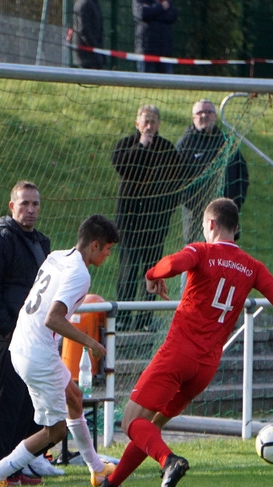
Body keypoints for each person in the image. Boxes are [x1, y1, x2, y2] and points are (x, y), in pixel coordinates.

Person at [94, 198, 273, 487]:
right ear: (236, 228)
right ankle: (112, 484)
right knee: (152, 426)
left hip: (177, 355)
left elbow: (172, 265)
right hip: (206, 368)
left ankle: (169, 461)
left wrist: (151, 275)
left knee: (131, 423)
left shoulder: (201, 251)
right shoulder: (252, 266)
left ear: (210, 224)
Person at [0, 215, 120, 487]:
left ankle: (96, 469)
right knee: (55, 432)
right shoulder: (80, 273)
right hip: (37, 353)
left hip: (24, 343)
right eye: (107, 248)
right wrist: (91, 342)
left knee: (74, 397)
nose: (107, 254)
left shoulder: (57, 256)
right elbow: (53, 318)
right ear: (94, 245)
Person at [0, 181, 51, 486]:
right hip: (7, 333)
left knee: (26, 403)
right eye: (24, 204)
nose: (30, 210)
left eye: (35, 204)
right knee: (8, 400)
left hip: (31, 333)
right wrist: (5, 330)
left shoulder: (41, 242)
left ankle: (14, 467)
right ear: (12, 206)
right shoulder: (0, 238)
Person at [112, 105, 181, 330]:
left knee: (152, 269)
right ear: (137, 123)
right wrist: (142, 145)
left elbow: (176, 184)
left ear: (159, 124)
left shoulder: (167, 149)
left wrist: (166, 212)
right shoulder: (126, 145)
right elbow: (122, 166)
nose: (149, 125)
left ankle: (144, 319)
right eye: (145, 121)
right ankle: (122, 317)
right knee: (129, 266)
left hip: (155, 220)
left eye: (153, 121)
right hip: (130, 218)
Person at [176, 99, 250, 244]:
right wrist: (193, 203)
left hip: (226, 216)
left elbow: (242, 175)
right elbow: (176, 180)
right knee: (197, 253)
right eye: (200, 112)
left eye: (208, 112)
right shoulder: (185, 144)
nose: (204, 115)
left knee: (224, 253)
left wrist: (234, 204)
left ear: (215, 116)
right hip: (196, 217)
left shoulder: (226, 142)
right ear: (193, 117)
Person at [133, 0, 177, 73]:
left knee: (166, 79)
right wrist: (162, 7)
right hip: (147, 50)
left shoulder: (166, 1)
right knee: (146, 79)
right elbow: (144, 14)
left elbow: (173, 15)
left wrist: (153, 13)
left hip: (165, 51)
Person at [72, 0, 104, 69]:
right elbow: (84, 30)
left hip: (93, 55)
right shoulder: (84, 4)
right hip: (87, 57)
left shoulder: (93, 3)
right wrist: (95, 48)